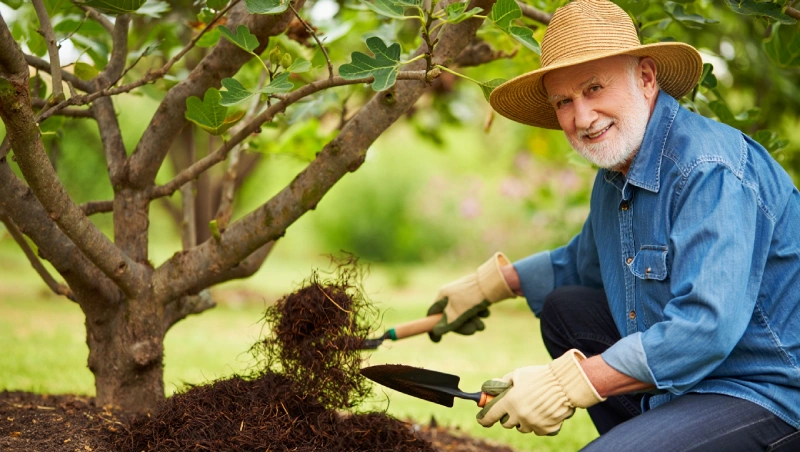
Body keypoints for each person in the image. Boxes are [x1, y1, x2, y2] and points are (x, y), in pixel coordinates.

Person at [425, 0, 800, 450]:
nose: (582, 118)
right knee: (566, 308)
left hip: (765, 389)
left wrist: (571, 382)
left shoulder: (708, 170)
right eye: (564, 101)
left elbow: (705, 327)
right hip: (689, 382)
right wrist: (491, 284)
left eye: (594, 88)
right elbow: (582, 266)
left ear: (645, 78)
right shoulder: (617, 174)